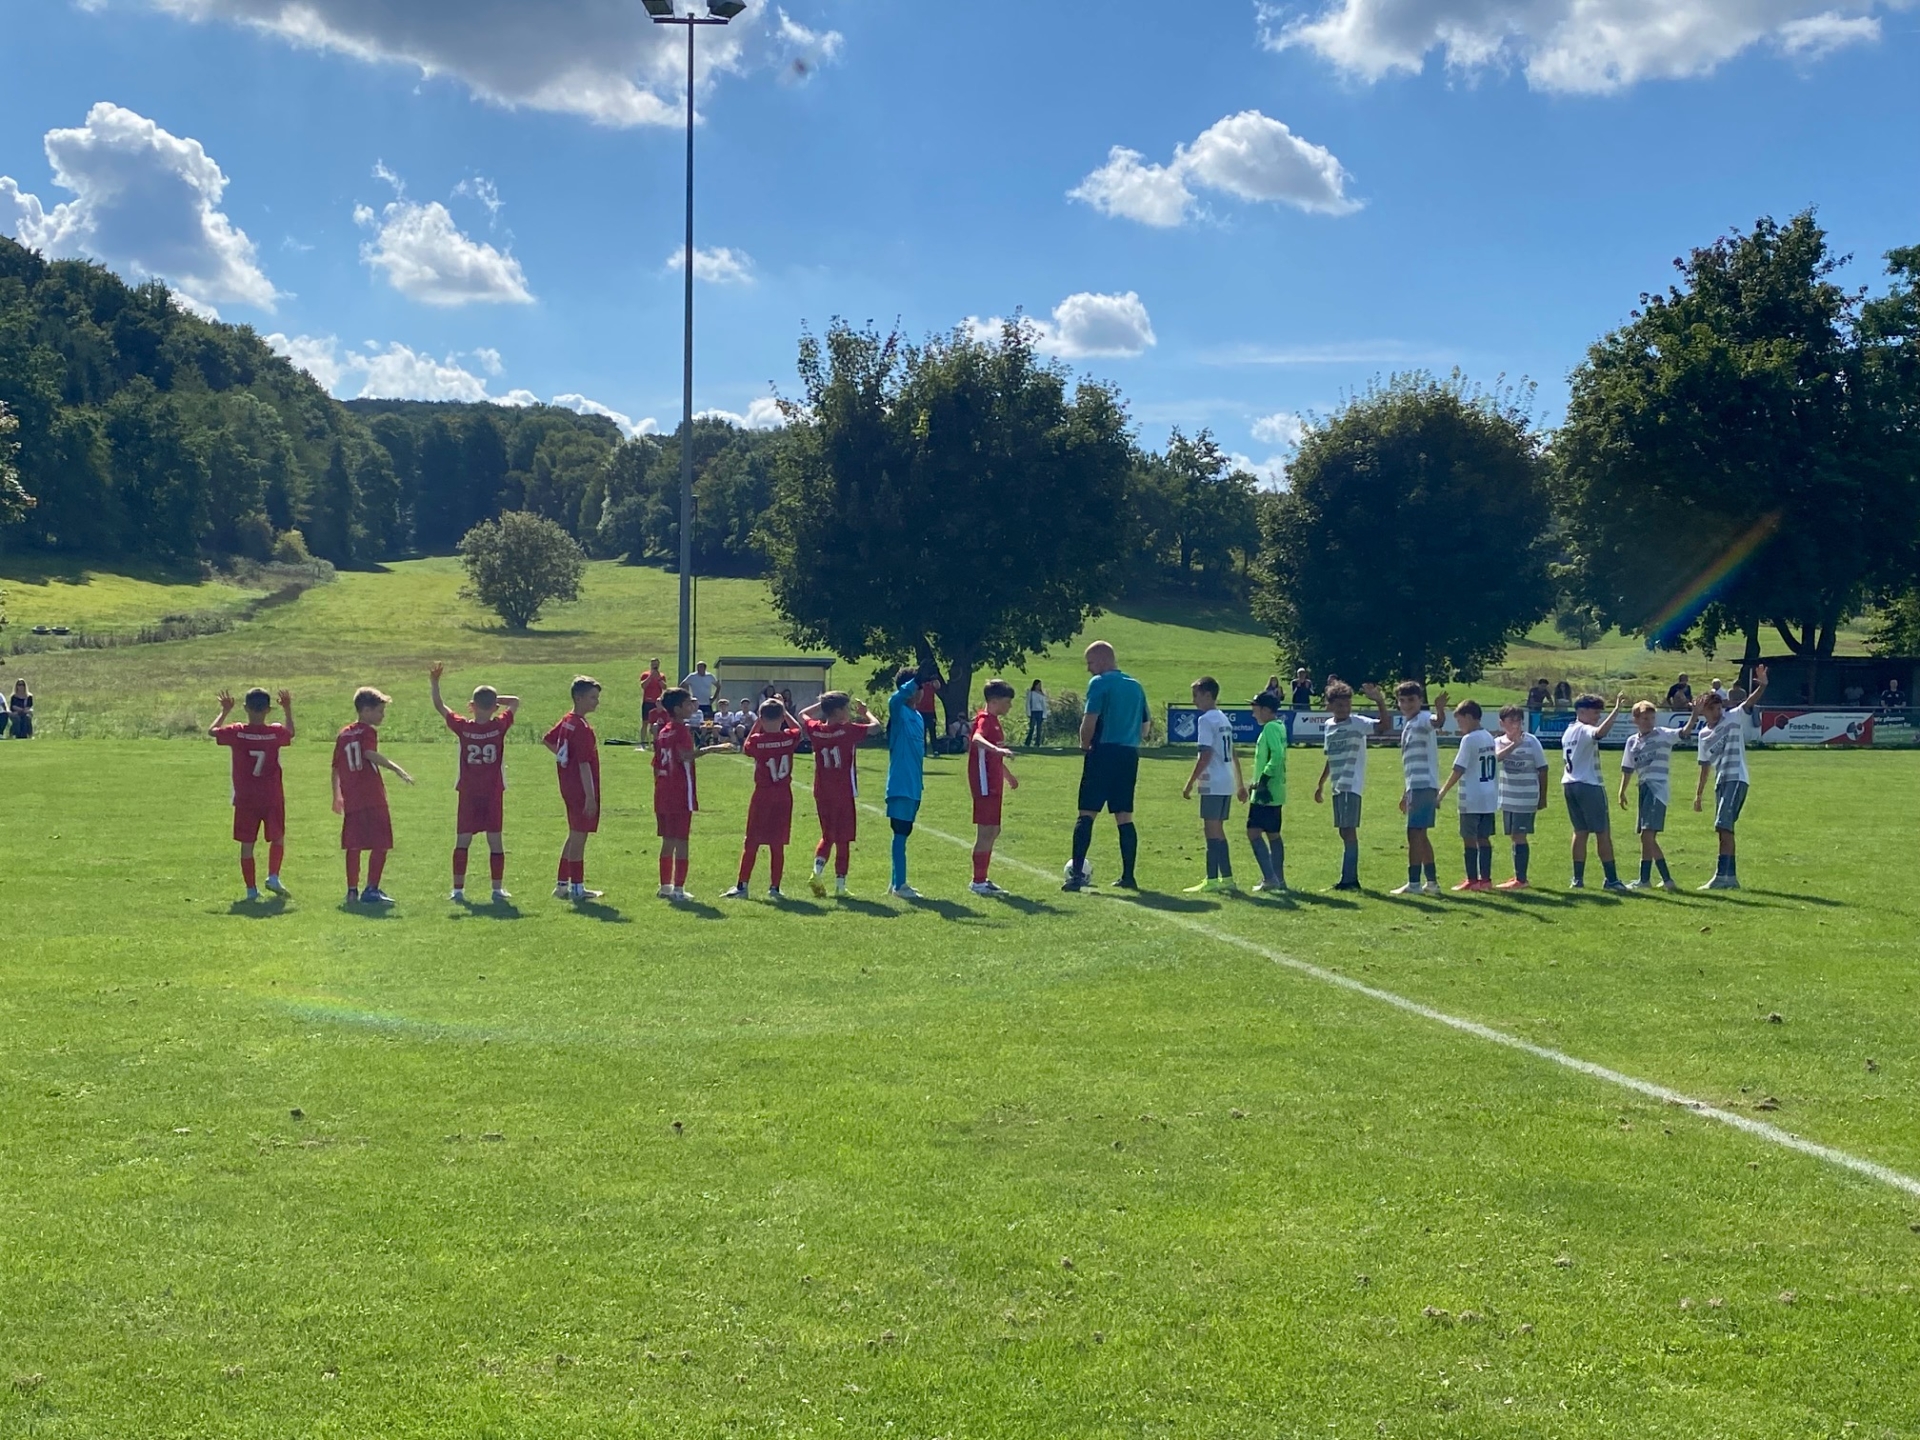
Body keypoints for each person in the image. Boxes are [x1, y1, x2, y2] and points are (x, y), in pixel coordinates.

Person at [1063, 641, 1149, 892]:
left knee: (1086, 813)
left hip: (1103, 753)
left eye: (1090, 662)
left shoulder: (1099, 683)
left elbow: (1090, 719)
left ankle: (1076, 876)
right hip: (1129, 755)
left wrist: (1084, 745)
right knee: (1124, 816)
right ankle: (1128, 876)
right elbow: (1145, 727)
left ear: (1102, 660)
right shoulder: (1136, 685)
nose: (1088, 669)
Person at [430, 663, 519, 905]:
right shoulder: (499, 726)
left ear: (472, 706)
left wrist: (435, 682)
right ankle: (497, 889)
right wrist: (495, 700)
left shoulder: (464, 727)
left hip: (468, 792)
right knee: (495, 840)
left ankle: (458, 890)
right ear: (494, 707)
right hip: (492, 792)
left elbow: (439, 706)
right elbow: (515, 701)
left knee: (463, 841)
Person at [208, 686, 295, 901]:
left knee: (247, 845)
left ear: (245, 708)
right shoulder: (274, 733)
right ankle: (273, 876)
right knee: (278, 838)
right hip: (272, 796)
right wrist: (287, 709)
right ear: (268, 710)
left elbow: (212, 731)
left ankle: (251, 890)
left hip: (246, 798)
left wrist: (225, 711)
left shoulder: (237, 732)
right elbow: (290, 733)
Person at [652, 686, 736, 902]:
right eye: (688, 703)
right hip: (679, 791)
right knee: (682, 840)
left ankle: (665, 886)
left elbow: (656, 764)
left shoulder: (663, 731)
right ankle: (679, 889)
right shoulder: (680, 730)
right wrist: (713, 748)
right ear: (678, 708)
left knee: (668, 840)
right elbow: (685, 756)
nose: (692, 706)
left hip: (662, 791)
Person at [333, 687, 413, 906]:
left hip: (352, 797)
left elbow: (336, 767)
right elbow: (369, 754)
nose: (382, 716)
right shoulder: (367, 732)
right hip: (372, 795)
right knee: (381, 842)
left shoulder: (343, 734)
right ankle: (371, 889)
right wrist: (396, 769)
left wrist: (336, 795)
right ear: (366, 711)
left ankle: (351, 891)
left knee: (354, 845)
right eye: (379, 711)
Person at [1695, 664, 1768, 890]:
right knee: (1725, 829)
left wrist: (1762, 686)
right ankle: (1730, 878)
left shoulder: (1732, 717)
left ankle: (1722, 875)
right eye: (1711, 709)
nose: (1717, 712)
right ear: (1703, 711)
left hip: (1736, 778)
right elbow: (1704, 766)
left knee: (1723, 825)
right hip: (1721, 781)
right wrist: (1698, 795)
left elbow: (1749, 703)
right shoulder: (1703, 735)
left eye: (1718, 707)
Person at [800, 690, 880, 896]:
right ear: (837, 711)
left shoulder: (816, 729)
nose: (848, 712)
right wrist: (865, 712)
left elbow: (802, 714)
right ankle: (840, 886)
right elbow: (876, 727)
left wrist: (822, 705)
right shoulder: (847, 730)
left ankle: (817, 872)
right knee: (844, 839)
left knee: (828, 835)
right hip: (843, 791)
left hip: (821, 791)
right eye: (845, 708)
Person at [1313, 681, 1392, 891]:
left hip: (1351, 785)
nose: (1344, 709)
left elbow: (1384, 726)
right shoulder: (1329, 726)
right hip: (1337, 786)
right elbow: (1331, 757)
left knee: (1349, 832)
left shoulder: (1357, 723)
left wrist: (1379, 701)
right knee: (1343, 831)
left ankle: (1349, 880)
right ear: (1330, 705)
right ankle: (1348, 878)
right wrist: (1321, 783)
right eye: (1340, 705)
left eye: (1347, 704)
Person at [1618, 699, 1699, 892]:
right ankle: (1648, 880)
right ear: (1635, 720)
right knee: (1645, 836)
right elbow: (1627, 768)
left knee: (1648, 835)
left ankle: (1663, 879)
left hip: (1657, 789)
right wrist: (1622, 791)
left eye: (1652, 718)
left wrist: (1695, 714)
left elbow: (1684, 732)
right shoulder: (1632, 742)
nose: (1649, 722)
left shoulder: (1662, 734)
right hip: (1643, 788)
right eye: (1645, 718)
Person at [726, 698, 803, 900]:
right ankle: (775, 887)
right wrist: (786, 713)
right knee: (777, 843)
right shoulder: (788, 737)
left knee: (752, 841)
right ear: (782, 717)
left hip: (763, 794)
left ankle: (742, 885)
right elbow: (798, 730)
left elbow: (746, 746)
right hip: (784, 795)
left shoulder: (758, 740)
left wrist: (757, 723)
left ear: (761, 717)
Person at [1181, 676, 1248, 894]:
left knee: (1211, 831)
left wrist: (1190, 783)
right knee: (1218, 830)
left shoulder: (1206, 720)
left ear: (1208, 695)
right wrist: (1239, 783)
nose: (1194, 701)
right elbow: (1233, 753)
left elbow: (1206, 754)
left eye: (1196, 695)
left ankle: (1213, 878)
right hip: (1226, 780)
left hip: (1213, 781)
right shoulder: (1223, 718)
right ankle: (1226, 877)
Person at [543, 677, 604, 902]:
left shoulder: (567, 720)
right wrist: (590, 797)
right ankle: (577, 888)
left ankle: (562, 885)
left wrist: (563, 758)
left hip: (568, 786)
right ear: (579, 698)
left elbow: (548, 740)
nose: (596, 702)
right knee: (579, 838)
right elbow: (584, 764)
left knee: (573, 834)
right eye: (592, 697)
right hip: (579, 789)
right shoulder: (581, 728)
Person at [1561, 692, 1628, 892]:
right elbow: (1599, 733)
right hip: (1589, 785)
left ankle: (1577, 879)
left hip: (1569, 784)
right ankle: (1611, 879)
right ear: (1582, 711)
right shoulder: (1584, 729)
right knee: (1602, 832)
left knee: (1580, 832)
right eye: (1595, 712)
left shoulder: (1568, 731)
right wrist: (1616, 710)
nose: (1598, 716)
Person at [1391, 680, 1448, 896]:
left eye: (1411, 700)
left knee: (1414, 832)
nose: (1407, 705)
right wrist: (1406, 792)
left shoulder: (1423, 718)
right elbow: (1410, 766)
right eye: (1402, 700)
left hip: (1424, 785)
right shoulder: (1408, 725)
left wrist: (1440, 710)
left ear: (1420, 700)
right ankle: (1431, 883)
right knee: (1420, 834)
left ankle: (1414, 883)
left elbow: (1437, 722)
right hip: (1416, 786)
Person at [885, 665, 936, 899]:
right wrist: (914, 682)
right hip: (900, 785)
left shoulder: (918, 717)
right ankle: (900, 885)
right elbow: (895, 700)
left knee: (905, 833)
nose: (921, 691)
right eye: (919, 687)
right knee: (900, 833)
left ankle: (896, 882)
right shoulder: (899, 711)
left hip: (914, 786)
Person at [1436, 699, 1497, 892]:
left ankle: (1472, 879)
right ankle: (1486, 879)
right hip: (1489, 795)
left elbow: (1458, 769)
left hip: (1471, 796)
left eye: (1460, 721)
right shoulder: (1488, 736)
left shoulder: (1469, 739)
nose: (1459, 725)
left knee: (1469, 838)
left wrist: (1441, 793)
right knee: (1484, 837)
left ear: (1469, 717)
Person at [967, 679, 1020, 896]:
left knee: (994, 830)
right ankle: (978, 882)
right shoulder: (985, 720)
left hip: (994, 782)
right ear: (994, 701)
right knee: (986, 831)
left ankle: (982, 878)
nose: (1010, 706)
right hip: (985, 783)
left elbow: (993, 755)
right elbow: (977, 738)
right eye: (1007, 702)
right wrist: (997, 751)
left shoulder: (995, 722)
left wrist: (1008, 775)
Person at [1492, 704, 1549, 889]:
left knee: (1519, 835)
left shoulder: (1532, 741)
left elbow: (1543, 769)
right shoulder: (1498, 741)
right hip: (1507, 797)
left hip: (1526, 796)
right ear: (1502, 723)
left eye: (1519, 720)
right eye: (1511, 720)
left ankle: (1521, 879)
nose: (1516, 724)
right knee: (1513, 836)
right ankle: (1518, 876)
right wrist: (1513, 745)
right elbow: (1495, 759)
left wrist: (1542, 797)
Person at [1246, 690, 1289, 894]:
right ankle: (1279, 878)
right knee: (1273, 834)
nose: (1253, 713)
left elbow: (1277, 756)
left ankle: (1270, 878)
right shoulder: (1279, 726)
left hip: (1266, 792)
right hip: (1276, 790)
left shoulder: (1270, 727)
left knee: (1253, 832)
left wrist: (1262, 780)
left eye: (1255, 708)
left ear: (1265, 709)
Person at [912, 671, 941, 756]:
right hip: (920, 711)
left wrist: (934, 678)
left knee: (932, 732)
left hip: (930, 711)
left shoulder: (931, 685)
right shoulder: (919, 686)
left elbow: (938, 686)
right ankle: (923, 750)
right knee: (922, 732)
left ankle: (935, 749)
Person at [640, 659, 667, 745]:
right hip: (647, 701)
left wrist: (658, 678)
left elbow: (664, 687)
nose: (655, 666)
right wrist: (651, 676)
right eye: (653, 664)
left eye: (656, 664)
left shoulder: (661, 676)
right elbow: (643, 686)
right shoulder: (645, 674)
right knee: (645, 722)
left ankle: (655, 741)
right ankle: (643, 742)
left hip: (657, 703)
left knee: (656, 723)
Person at [1024, 680, 1048, 747]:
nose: (1039, 686)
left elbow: (1044, 705)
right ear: (1035, 685)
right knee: (1031, 728)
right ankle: (1027, 743)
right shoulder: (1031, 693)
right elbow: (1028, 703)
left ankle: (1037, 743)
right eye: (1038, 685)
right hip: (1033, 712)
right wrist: (1029, 713)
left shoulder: (1041, 694)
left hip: (1040, 712)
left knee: (1039, 729)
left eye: (1040, 685)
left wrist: (1044, 715)